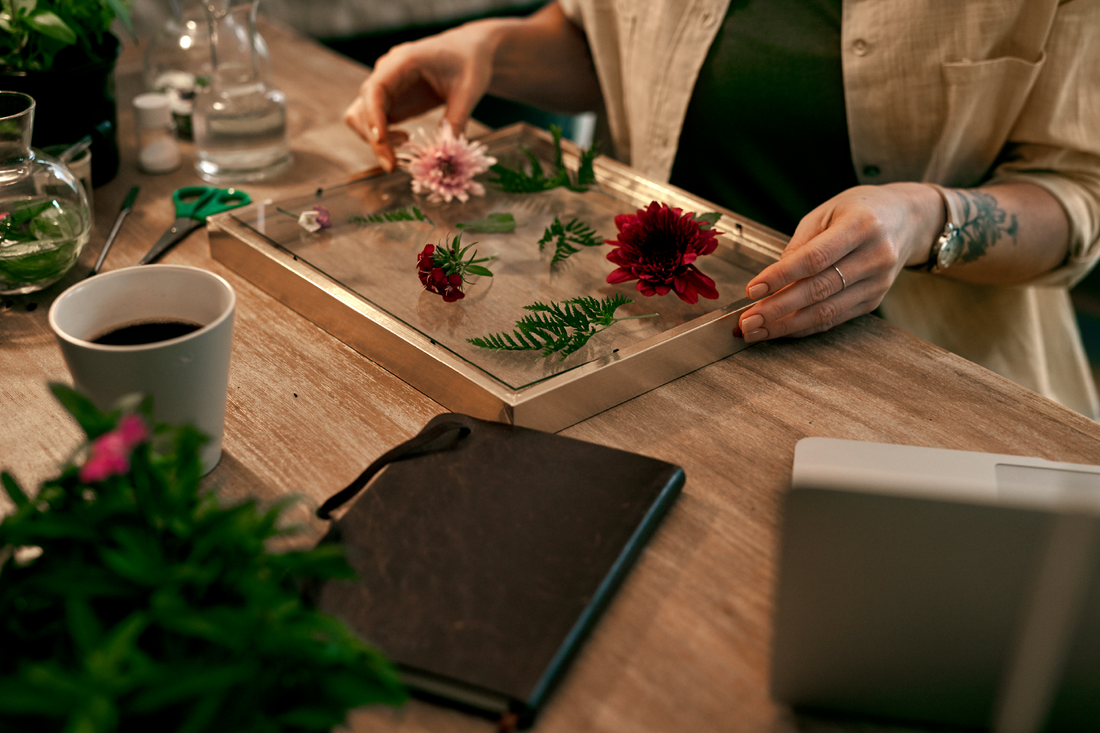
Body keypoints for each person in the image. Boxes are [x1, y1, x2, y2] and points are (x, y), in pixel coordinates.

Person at [344, 0, 1100, 418]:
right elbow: (603, 42)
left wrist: (918, 220)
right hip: (636, 340)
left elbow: (1077, 198)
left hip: (924, 382)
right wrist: (487, 49)